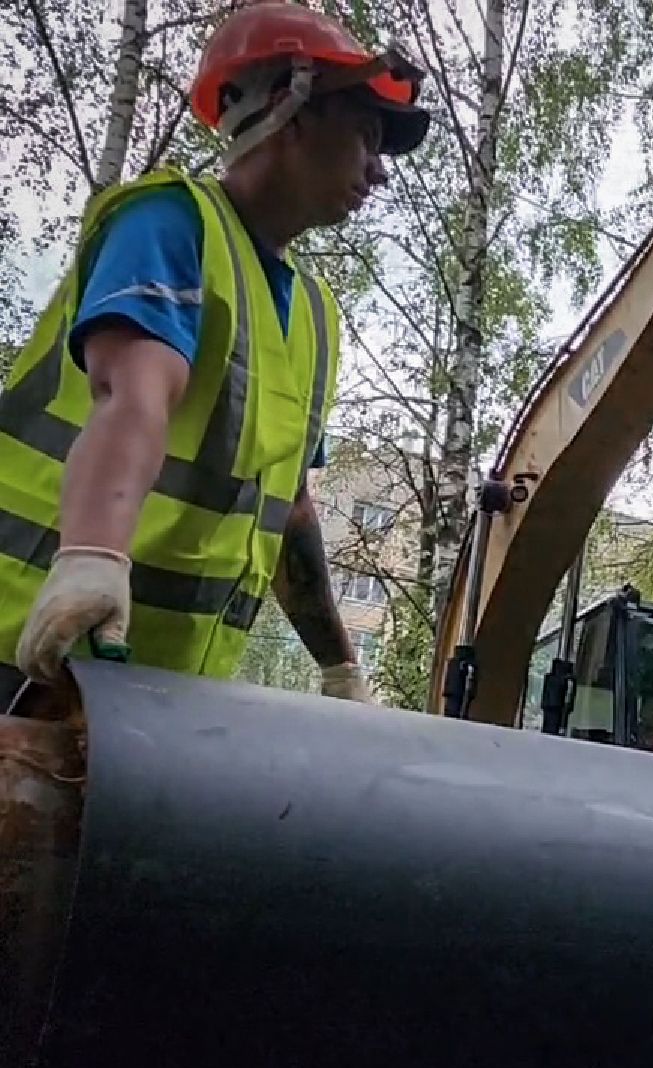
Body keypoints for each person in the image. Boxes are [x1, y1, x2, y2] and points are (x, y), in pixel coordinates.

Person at [0, 3, 429, 705]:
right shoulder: (170, 222)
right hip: (30, 649)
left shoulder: (315, 318)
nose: (378, 172)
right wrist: (93, 556)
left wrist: (339, 669)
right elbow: (132, 393)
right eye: (366, 134)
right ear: (290, 109)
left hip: (153, 692)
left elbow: (287, 513)